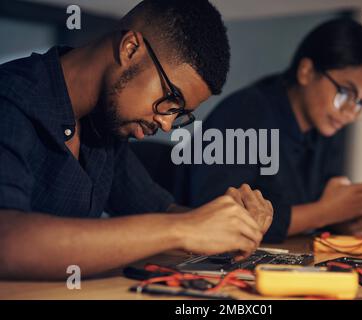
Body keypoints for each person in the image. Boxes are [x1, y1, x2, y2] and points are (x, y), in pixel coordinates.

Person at [0, 0, 273, 280]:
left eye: (179, 113)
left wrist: (226, 221)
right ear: (130, 48)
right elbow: (7, 243)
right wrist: (185, 229)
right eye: (171, 99)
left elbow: (159, 211)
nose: (167, 124)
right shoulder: (10, 98)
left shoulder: (105, 126)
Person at [188, 18, 362, 243]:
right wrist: (326, 212)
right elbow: (217, 216)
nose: (350, 112)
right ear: (306, 71)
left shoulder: (326, 125)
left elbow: (318, 210)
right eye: (345, 93)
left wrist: (344, 218)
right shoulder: (244, 113)